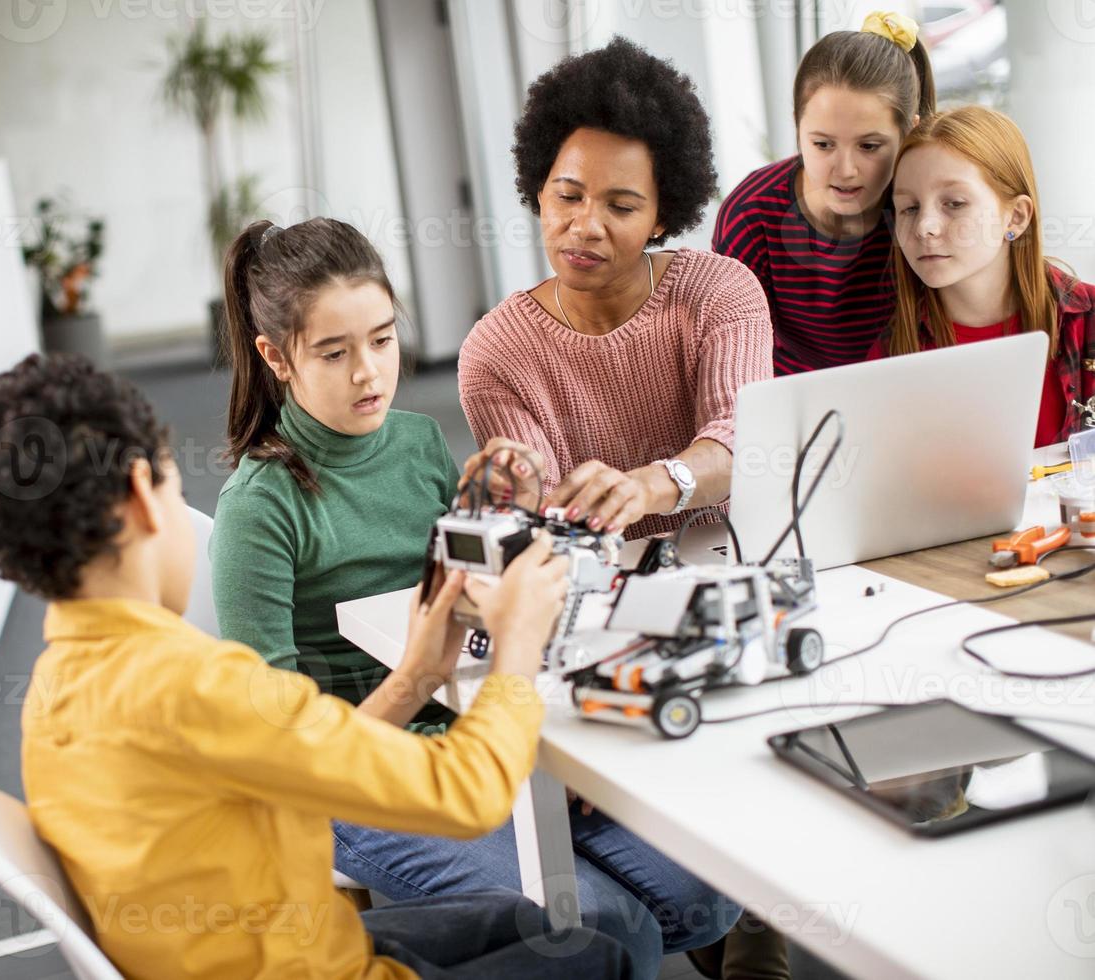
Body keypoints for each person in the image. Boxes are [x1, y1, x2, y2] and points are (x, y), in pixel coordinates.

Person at [0, 353, 630, 979]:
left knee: (539, 925)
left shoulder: (53, 689)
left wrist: (415, 676)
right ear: (141, 495)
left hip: (248, 947)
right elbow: (467, 794)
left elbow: (291, 776)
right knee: (599, 949)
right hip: (311, 964)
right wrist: (517, 645)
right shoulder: (205, 685)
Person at [210, 216, 739, 980]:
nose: (369, 373)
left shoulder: (421, 442)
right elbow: (282, 759)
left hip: (467, 723)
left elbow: (469, 608)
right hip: (357, 775)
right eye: (335, 352)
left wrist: (506, 520)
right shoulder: (260, 508)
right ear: (275, 357)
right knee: (602, 929)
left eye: (384, 340)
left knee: (704, 895)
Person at [459, 36, 772, 543]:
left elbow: (742, 443)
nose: (585, 226)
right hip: (593, 587)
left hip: (730, 560)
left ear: (660, 217)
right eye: (567, 196)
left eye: (621, 207)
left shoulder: (719, 292)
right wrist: (514, 495)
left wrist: (649, 486)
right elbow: (542, 514)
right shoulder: (495, 353)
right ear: (539, 190)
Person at [713, 10, 936, 374]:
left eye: (869, 146)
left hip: (907, 390)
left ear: (908, 134)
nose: (845, 171)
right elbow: (733, 355)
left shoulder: (928, 209)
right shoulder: (750, 214)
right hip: (791, 402)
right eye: (822, 144)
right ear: (798, 128)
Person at [874, 104, 1093, 446]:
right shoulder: (890, 357)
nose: (924, 227)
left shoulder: (1089, 321)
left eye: (955, 203)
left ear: (1016, 218)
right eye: (909, 208)